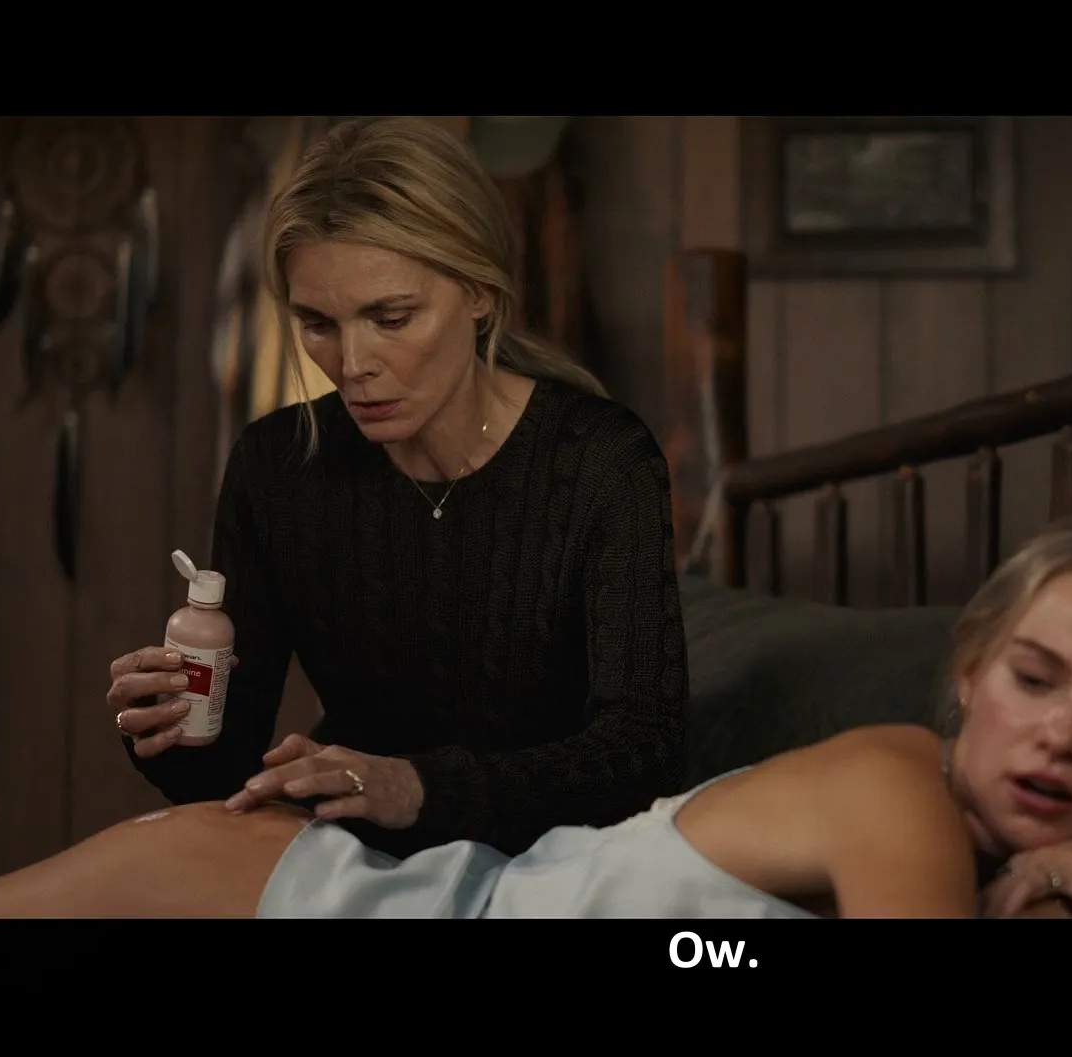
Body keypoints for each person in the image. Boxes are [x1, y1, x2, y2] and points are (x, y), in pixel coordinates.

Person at [0, 509, 1072, 920]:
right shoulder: (896, 789)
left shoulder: (1017, 845)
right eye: (1036, 678)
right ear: (968, 675)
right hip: (295, 898)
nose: (1062, 735)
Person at [104, 115, 690, 860]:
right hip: (349, 851)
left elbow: (644, 753)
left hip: (559, 861)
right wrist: (168, 728)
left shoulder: (602, 462)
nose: (352, 364)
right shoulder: (277, 466)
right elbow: (224, 774)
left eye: (390, 318)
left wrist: (420, 789)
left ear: (480, 293)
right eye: (318, 323)